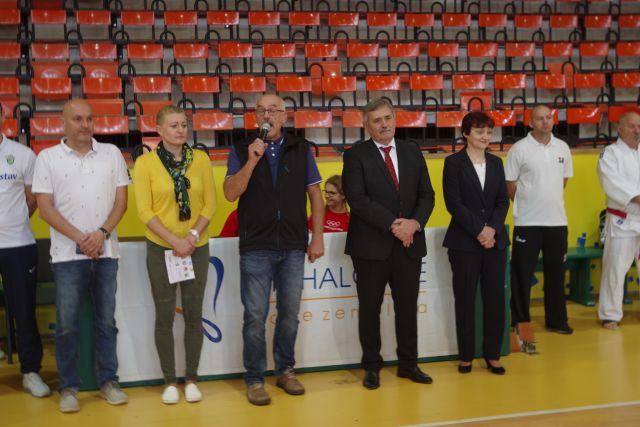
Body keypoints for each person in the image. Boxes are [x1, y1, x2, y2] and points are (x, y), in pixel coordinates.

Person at [223, 93, 324, 406]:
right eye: (261, 110)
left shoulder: (301, 148)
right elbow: (230, 193)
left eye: (273, 110)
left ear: (284, 115)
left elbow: (315, 196)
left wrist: (317, 237)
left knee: (290, 314)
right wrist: (252, 160)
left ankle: (285, 371)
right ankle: (255, 379)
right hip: (256, 246)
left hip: (293, 245)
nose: (267, 115)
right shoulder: (241, 149)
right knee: (255, 317)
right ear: (255, 116)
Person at [32, 99, 130, 413]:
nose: (85, 124)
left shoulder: (112, 154)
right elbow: (45, 209)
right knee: (66, 326)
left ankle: (109, 382)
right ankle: (69, 388)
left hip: (106, 252)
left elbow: (121, 202)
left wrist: (100, 234)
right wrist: (81, 239)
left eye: (89, 118)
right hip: (66, 257)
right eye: (77, 119)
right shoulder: (47, 158)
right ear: (63, 123)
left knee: (106, 323)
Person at [342, 98, 435, 390]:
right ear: (366, 125)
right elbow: (357, 200)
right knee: (370, 309)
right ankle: (372, 366)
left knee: (407, 308)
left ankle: (409, 364)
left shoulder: (412, 151)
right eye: (377, 120)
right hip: (371, 247)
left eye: (387, 118)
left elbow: (427, 195)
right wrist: (396, 225)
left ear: (395, 119)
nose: (383, 124)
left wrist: (414, 224)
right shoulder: (355, 156)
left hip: (409, 244)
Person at [134, 105, 216, 404]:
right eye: (173, 125)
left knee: (194, 315)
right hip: (161, 248)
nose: (180, 130)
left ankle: (191, 378)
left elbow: (210, 205)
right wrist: (173, 241)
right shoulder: (145, 163)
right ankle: (169, 381)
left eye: (183, 124)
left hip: (196, 246)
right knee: (164, 316)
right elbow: (145, 211)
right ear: (159, 130)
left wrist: (191, 237)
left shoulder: (201, 160)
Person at [442, 112, 509, 375]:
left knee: (495, 300)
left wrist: (491, 229)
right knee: (465, 300)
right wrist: (480, 230)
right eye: (480, 131)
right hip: (464, 243)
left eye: (489, 132)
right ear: (466, 133)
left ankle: (493, 355)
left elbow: (502, 201)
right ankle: (466, 356)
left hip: (495, 242)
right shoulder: (453, 163)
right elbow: (453, 203)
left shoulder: (496, 163)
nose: (485, 136)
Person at [505, 105, 574, 344]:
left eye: (548, 117)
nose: (545, 122)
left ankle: (557, 320)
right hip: (527, 222)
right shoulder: (519, 149)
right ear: (530, 122)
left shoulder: (563, 147)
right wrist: (527, 204)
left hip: (557, 222)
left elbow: (563, 181)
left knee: (556, 274)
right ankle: (520, 320)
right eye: (539, 118)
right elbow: (509, 183)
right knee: (521, 274)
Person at [0, 106, 50, 397]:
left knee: (24, 312)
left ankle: (31, 372)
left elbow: (33, 200)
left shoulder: (23, 154)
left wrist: (14, 221)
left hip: (18, 245)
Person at [597, 111, 640, 330]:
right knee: (615, 268)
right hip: (623, 221)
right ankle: (610, 314)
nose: (637, 130)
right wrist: (637, 197)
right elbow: (612, 183)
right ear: (619, 128)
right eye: (632, 126)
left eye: (639, 126)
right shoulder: (610, 153)